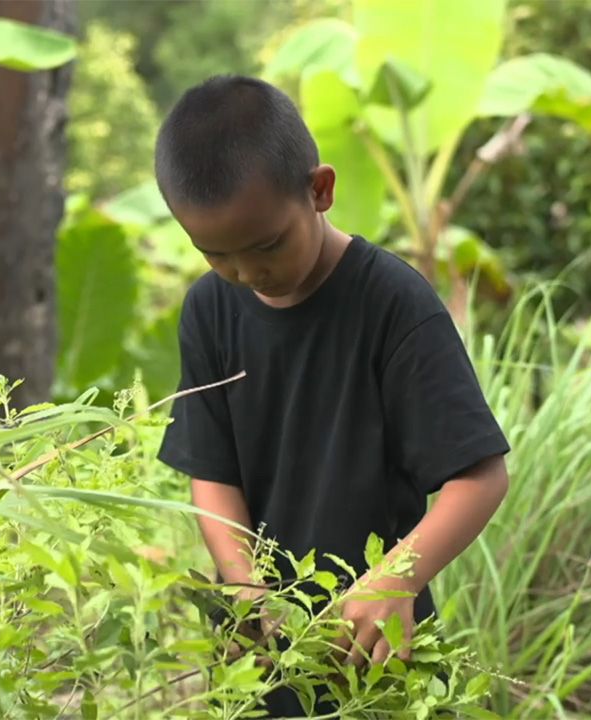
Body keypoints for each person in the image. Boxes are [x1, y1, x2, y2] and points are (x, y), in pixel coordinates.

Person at [154, 75, 511, 717]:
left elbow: (480, 477)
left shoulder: (394, 306)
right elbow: (212, 475)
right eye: (216, 254)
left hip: (375, 648)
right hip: (258, 654)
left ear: (319, 190)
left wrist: (396, 578)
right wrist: (244, 587)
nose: (246, 273)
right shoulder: (209, 311)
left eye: (266, 247)